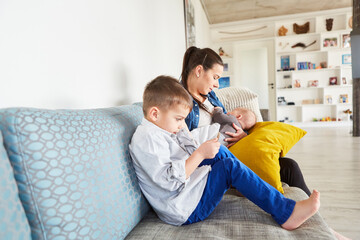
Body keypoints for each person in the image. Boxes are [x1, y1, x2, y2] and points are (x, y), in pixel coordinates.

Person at [129, 75, 320, 229]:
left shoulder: (161, 129)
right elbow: (169, 182)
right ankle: (285, 212)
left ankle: (269, 198)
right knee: (228, 166)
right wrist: (200, 154)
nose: (180, 124)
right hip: (184, 208)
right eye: (178, 119)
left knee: (219, 152)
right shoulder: (147, 138)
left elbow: (186, 150)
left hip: (188, 190)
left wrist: (188, 136)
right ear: (155, 113)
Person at [180, 46, 311, 196]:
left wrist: (242, 135)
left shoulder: (211, 96)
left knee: (289, 166)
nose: (217, 84)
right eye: (215, 77)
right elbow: (184, 145)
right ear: (198, 71)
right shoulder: (179, 101)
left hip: (233, 149)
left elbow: (228, 119)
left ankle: (309, 214)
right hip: (217, 160)